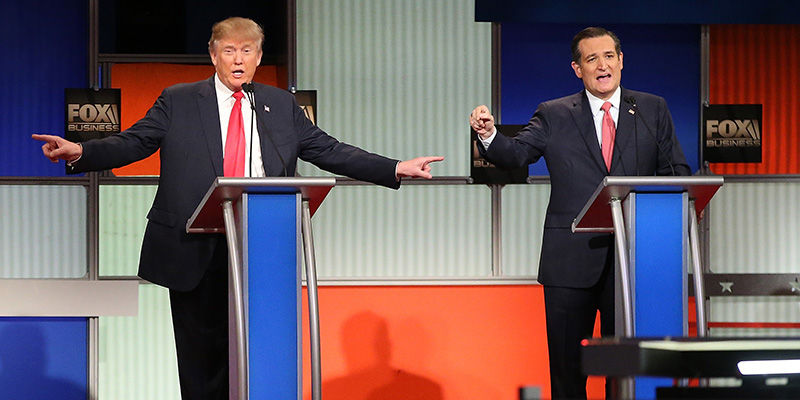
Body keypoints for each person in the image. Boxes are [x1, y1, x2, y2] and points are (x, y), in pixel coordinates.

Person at [33, 17, 443, 400]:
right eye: (229, 51)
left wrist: (394, 167)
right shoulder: (178, 100)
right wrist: (82, 150)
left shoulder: (280, 105)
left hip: (261, 243)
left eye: (247, 51)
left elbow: (329, 151)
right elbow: (134, 142)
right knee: (201, 358)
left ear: (259, 57)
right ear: (213, 55)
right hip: (194, 244)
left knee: (259, 350)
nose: (238, 60)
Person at [469, 27, 691, 399]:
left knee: (625, 369)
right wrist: (489, 135)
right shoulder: (554, 113)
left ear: (621, 61)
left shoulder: (652, 108)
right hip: (569, 261)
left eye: (608, 56)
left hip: (634, 260)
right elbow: (516, 154)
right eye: (592, 59)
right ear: (577, 68)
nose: (602, 66)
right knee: (568, 370)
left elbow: (677, 174)